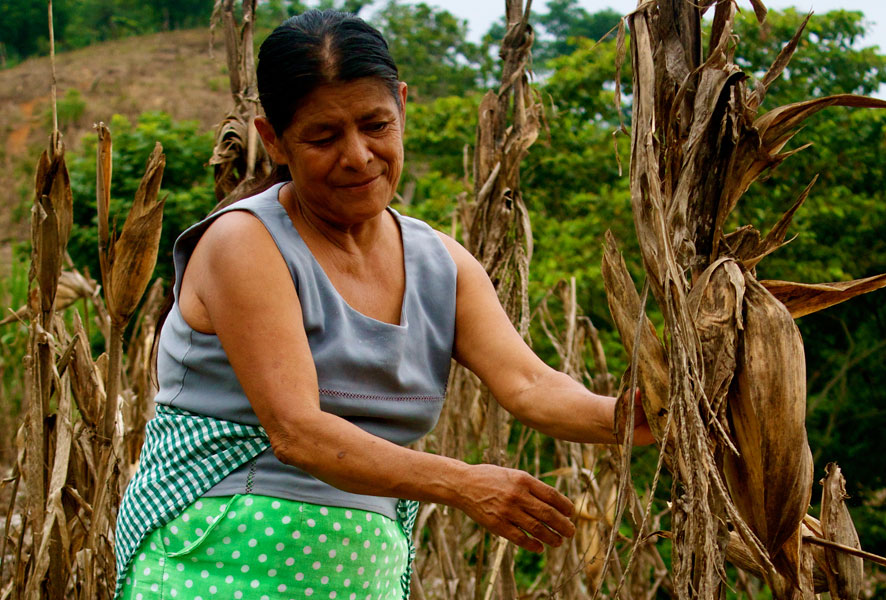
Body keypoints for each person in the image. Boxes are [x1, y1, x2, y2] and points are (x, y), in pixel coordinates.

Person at [115, 9, 653, 600]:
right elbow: (298, 432)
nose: (359, 157)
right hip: (209, 563)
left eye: (376, 125)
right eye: (323, 137)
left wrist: (628, 417)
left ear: (402, 105)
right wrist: (465, 483)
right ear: (274, 140)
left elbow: (528, 385)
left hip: (359, 578)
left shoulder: (439, 263)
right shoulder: (245, 243)